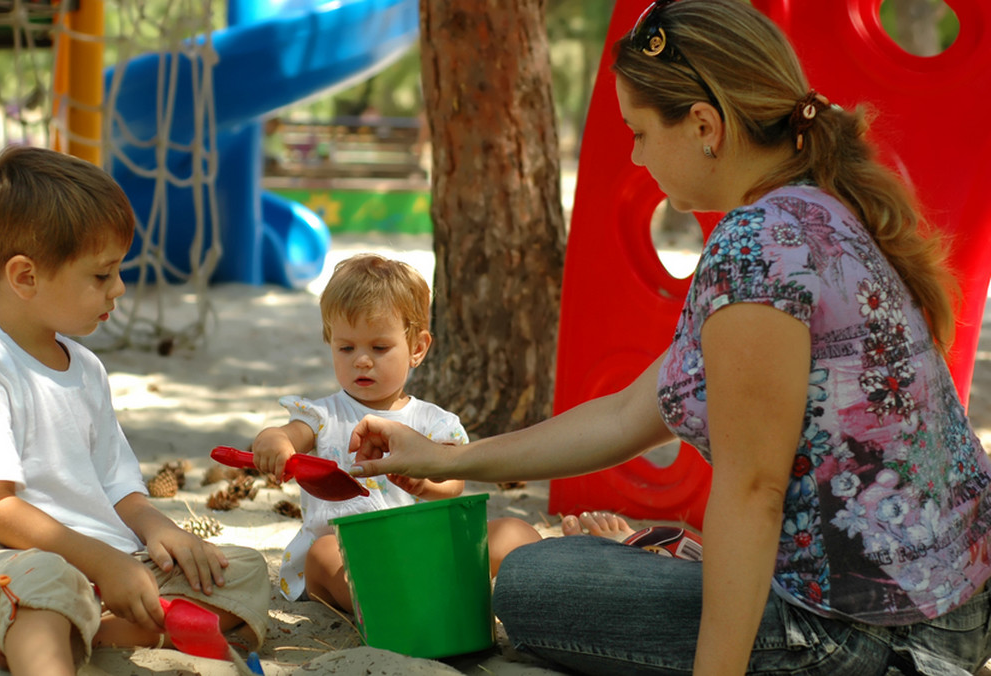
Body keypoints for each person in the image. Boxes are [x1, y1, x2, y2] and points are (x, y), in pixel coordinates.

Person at [347, 1, 991, 674]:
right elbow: (628, 412)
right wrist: (448, 458)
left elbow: (753, 493)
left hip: (871, 637)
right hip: (951, 609)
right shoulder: (821, 208)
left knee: (535, 582)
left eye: (643, 131)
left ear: (706, 126)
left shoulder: (756, 249)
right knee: (582, 557)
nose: (635, 153)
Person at [0, 146, 270, 675]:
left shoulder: (85, 367)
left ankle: (85, 628)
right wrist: (104, 562)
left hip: (95, 569)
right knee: (48, 582)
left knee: (239, 570)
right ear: (25, 277)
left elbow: (116, 485)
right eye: (101, 276)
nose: (118, 289)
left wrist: (156, 529)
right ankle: (56, 640)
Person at [251, 253, 540, 612]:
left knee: (515, 531)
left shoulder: (434, 422)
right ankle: (391, 605)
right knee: (322, 554)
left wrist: (425, 483)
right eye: (346, 347)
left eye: (379, 347)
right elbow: (287, 434)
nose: (361, 360)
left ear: (417, 348)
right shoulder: (324, 414)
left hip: (423, 550)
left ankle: (422, 594)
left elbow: (454, 484)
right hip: (351, 556)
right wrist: (275, 443)